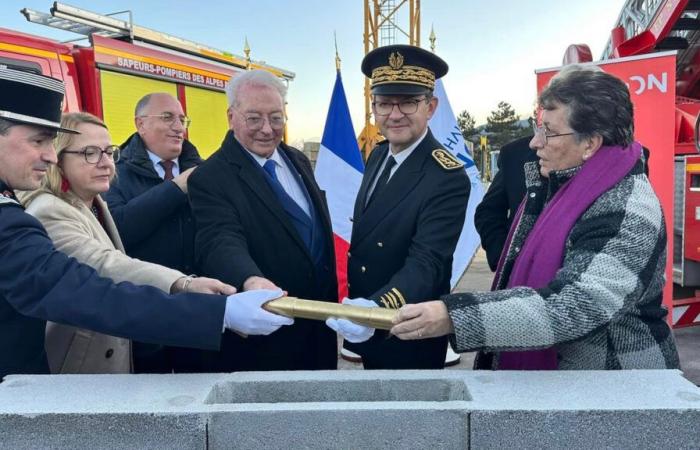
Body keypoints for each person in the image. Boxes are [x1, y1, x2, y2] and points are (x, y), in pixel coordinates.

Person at [0, 67, 292, 379]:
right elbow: (88, 284)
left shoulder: (87, 203)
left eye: (108, 152)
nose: (50, 156)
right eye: (38, 141)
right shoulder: (19, 218)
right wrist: (216, 312)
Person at [389, 66, 680, 370]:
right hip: (564, 386)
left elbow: (572, 306)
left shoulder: (628, 209)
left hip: (614, 392)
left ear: (590, 143)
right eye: (538, 127)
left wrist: (453, 316)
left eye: (550, 132)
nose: (534, 142)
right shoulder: (559, 182)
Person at [21, 112, 231, 373]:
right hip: (77, 369)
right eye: (90, 153)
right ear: (58, 159)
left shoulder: (94, 202)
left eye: (109, 152)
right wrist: (182, 283)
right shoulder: (49, 210)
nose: (106, 163)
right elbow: (105, 265)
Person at [331, 44, 470, 370]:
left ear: (431, 106)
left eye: (408, 102)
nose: (394, 114)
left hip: (407, 326)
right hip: (366, 318)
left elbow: (427, 263)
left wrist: (375, 309)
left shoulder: (446, 176)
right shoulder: (378, 154)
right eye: (384, 103)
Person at [188, 70, 338, 371]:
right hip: (267, 337)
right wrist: (249, 279)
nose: (267, 129)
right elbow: (219, 239)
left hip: (319, 329)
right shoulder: (211, 176)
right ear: (231, 117)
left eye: (276, 117)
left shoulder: (296, 159)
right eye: (254, 118)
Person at [105, 93, 205, 373]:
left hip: (199, 310)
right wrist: (176, 189)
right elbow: (117, 229)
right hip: (146, 312)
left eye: (182, 119)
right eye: (167, 117)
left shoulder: (204, 170)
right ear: (140, 124)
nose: (178, 127)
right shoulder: (115, 173)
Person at [474, 135, 537, 271]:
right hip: (517, 275)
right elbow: (488, 211)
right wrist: (502, 256)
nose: (537, 144)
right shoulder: (515, 153)